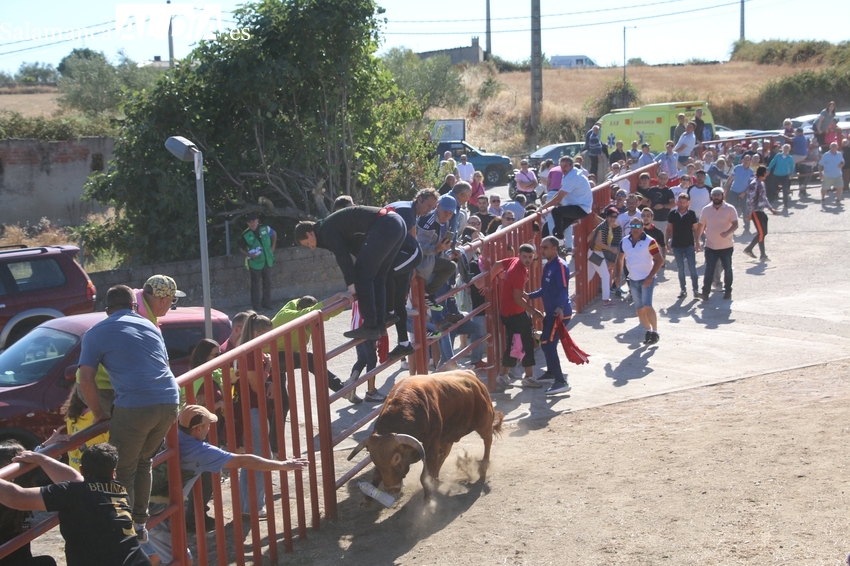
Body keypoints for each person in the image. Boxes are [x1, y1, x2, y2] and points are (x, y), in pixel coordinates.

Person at [77, 285, 179, 544]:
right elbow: (165, 366)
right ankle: (141, 524)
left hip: (135, 404)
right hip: (170, 400)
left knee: (122, 467)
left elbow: (85, 379)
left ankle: (123, 529)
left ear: (107, 309)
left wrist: (99, 414)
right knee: (144, 462)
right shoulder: (150, 327)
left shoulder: (95, 333)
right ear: (135, 306)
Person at [143, 406, 307, 562]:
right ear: (198, 429)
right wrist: (282, 465)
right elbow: (243, 460)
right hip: (157, 512)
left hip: (140, 504)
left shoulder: (169, 434)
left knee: (153, 555)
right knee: (183, 560)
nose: (209, 428)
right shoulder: (199, 450)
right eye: (208, 425)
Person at [0, 443, 151, 566]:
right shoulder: (120, 490)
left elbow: (16, 498)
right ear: (113, 473)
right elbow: (75, 479)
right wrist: (40, 459)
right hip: (138, 561)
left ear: (81, 469)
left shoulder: (72, 493)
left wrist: (41, 459)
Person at [295, 205, 406, 340]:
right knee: (378, 275)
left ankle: (370, 326)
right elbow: (357, 249)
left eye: (307, 243)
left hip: (385, 225)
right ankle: (380, 323)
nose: (311, 247)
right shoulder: (330, 226)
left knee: (362, 277)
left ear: (309, 234)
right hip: (396, 223)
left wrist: (351, 284)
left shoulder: (326, 231)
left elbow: (343, 256)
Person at [489, 244, 544, 390]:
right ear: (519, 255)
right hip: (514, 314)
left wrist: (488, 280)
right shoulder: (518, 272)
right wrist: (534, 312)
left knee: (518, 344)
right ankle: (524, 377)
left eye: (530, 257)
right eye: (525, 257)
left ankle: (507, 375)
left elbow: (498, 264)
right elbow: (517, 299)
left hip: (512, 312)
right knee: (521, 344)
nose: (527, 260)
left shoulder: (514, 261)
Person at [528, 236, 573, 395]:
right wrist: (529, 296)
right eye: (541, 247)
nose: (542, 250)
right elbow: (545, 290)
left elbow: (563, 288)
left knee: (547, 344)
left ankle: (561, 382)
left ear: (555, 248)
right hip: (552, 312)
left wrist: (560, 307)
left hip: (559, 313)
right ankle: (551, 373)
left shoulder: (560, 265)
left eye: (545, 247)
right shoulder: (548, 265)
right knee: (548, 344)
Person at [0, 442, 56, 566]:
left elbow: (37, 463)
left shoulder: (23, 493)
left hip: (18, 559)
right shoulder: (10, 496)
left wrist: (46, 446)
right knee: (46, 563)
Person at [612, 218, 664, 345]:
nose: (635, 229)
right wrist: (617, 275)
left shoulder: (650, 241)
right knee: (639, 309)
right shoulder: (624, 241)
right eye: (633, 226)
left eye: (638, 226)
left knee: (647, 305)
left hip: (647, 279)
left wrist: (650, 277)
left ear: (642, 227)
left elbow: (659, 260)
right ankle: (648, 330)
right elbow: (620, 259)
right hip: (633, 280)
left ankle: (655, 332)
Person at [416, 195, 458, 309]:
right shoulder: (428, 221)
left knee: (451, 266)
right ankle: (425, 296)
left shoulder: (445, 221)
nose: (447, 215)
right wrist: (437, 249)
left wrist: (444, 248)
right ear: (438, 207)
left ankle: (427, 294)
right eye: (445, 212)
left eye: (450, 213)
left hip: (431, 258)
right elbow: (419, 247)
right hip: (419, 260)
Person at [696, 188, 738, 301]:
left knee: (728, 269)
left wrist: (728, 232)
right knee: (709, 269)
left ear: (723, 196)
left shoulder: (730, 209)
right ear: (711, 196)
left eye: (718, 195)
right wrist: (697, 241)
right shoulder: (706, 209)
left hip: (726, 246)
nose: (716, 197)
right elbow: (701, 226)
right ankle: (705, 293)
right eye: (714, 195)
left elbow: (735, 224)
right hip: (710, 246)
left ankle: (728, 291)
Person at [539, 156, 592, 241]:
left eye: (565, 166)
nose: (563, 169)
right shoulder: (571, 174)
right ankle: (557, 241)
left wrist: (543, 207)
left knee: (556, 212)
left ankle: (558, 238)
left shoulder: (572, 177)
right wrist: (551, 203)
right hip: (578, 207)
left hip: (580, 208)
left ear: (571, 165)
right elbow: (559, 193)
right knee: (549, 228)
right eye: (561, 166)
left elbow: (559, 197)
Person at [240, 212, 277, 312]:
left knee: (267, 283)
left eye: (253, 221)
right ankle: (256, 306)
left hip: (267, 260)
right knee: (255, 285)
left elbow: (274, 234)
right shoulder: (245, 234)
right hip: (255, 263)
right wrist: (249, 254)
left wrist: (273, 247)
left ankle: (266, 304)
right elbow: (241, 249)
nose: (251, 224)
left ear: (257, 221)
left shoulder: (265, 228)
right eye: (249, 222)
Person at [666, 193, 701, 299]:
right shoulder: (672, 214)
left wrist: (697, 242)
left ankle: (696, 290)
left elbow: (695, 229)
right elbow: (668, 229)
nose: (682, 204)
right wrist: (666, 242)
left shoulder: (691, 214)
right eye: (680, 202)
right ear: (677, 202)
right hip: (676, 245)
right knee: (680, 268)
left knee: (692, 268)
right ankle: (683, 290)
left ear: (688, 203)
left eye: (684, 202)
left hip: (689, 244)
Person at [588, 206, 622, 308]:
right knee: (605, 276)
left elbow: (594, 236)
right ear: (607, 216)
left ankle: (573, 297)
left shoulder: (607, 225)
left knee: (588, 277)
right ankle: (605, 301)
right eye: (611, 216)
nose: (613, 218)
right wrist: (611, 249)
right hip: (596, 253)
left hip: (594, 253)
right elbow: (598, 242)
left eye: (615, 217)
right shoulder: (604, 227)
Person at [743, 166, 778, 261]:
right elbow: (750, 200)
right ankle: (761, 254)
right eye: (766, 172)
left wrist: (771, 209)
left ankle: (750, 249)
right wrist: (749, 213)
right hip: (755, 211)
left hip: (761, 210)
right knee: (761, 233)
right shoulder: (754, 184)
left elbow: (764, 198)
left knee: (763, 232)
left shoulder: (761, 183)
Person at [725, 154, 754, 229]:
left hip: (744, 193)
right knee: (731, 209)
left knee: (745, 210)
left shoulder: (751, 172)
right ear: (742, 160)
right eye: (745, 159)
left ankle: (747, 226)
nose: (746, 161)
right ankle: (730, 226)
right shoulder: (737, 168)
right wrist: (726, 187)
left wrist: (744, 193)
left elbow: (751, 185)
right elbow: (731, 177)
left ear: (750, 161)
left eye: (748, 160)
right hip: (734, 191)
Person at [766, 143, 796, 208]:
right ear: (782, 148)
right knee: (773, 188)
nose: (786, 149)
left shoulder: (790, 157)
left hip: (784, 175)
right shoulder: (778, 155)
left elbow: (791, 166)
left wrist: (792, 173)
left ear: (789, 149)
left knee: (785, 189)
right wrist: (768, 169)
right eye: (785, 148)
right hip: (776, 174)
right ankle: (770, 201)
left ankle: (785, 203)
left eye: (787, 148)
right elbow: (773, 162)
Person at [818, 141, 845, 206]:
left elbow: (842, 161)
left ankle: (838, 200)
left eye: (835, 146)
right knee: (824, 188)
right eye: (832, 146)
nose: (834, 147)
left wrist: (842, 164)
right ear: (830, 147)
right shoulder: (826, 155)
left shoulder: (839, 154)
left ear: (837, 147)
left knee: (840, 187)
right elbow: (820, 164)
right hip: (828, 175)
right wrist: (820, 173)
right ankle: (823, 199)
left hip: (838, 174)